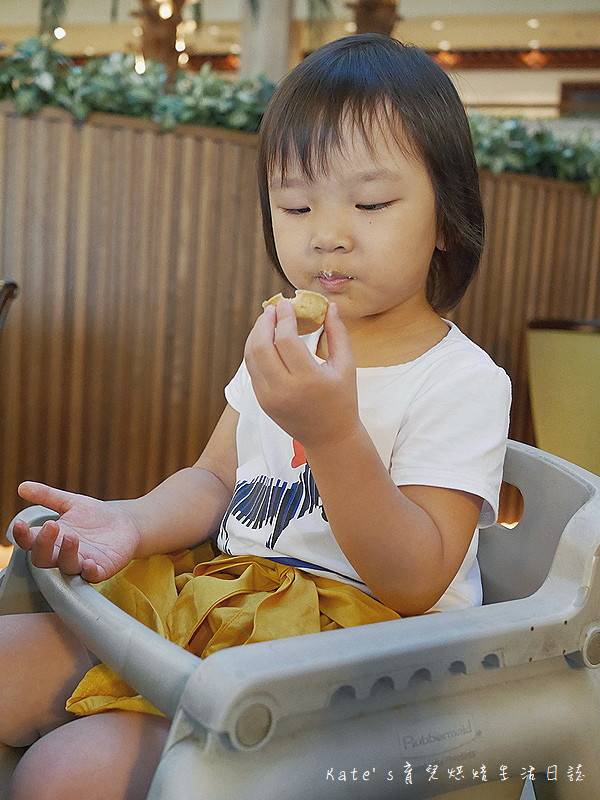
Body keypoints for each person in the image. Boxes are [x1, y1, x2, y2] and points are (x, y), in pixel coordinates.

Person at [1, 33, 510, 800]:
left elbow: (414, 579)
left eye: (371, 203)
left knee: (58, 777)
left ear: (447, 218)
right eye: (296, 204)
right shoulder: (286, 340)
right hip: (222, 602)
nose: (326, 233)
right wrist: (131, 522)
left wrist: (334, 433)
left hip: (349, 668)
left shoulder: (462, 380)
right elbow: (214, 476)